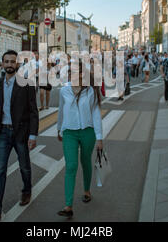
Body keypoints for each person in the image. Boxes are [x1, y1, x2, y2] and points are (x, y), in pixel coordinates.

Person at [0, 50, 38, 222]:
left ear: (18, 64)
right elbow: (0, 109)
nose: (10, 65)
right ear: (2, 64)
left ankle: (27, 190)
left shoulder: (26, 83)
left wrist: (33, 135)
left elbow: (34, 111)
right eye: (7, 62)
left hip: (21, 132)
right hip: (4, 132)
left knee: (24, 166)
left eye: (13, 62)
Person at [56, 61, 103, 219]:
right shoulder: (64, 90)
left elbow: (96, 114)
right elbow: (61, 110)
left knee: (85, 161)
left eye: (78, 71)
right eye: (72, 71)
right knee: (71, 166)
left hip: (87, 132)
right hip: (69, 132)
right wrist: (59, 128)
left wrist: (100, 138)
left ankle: (87, 190)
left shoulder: (91, 91)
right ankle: (68, 205)